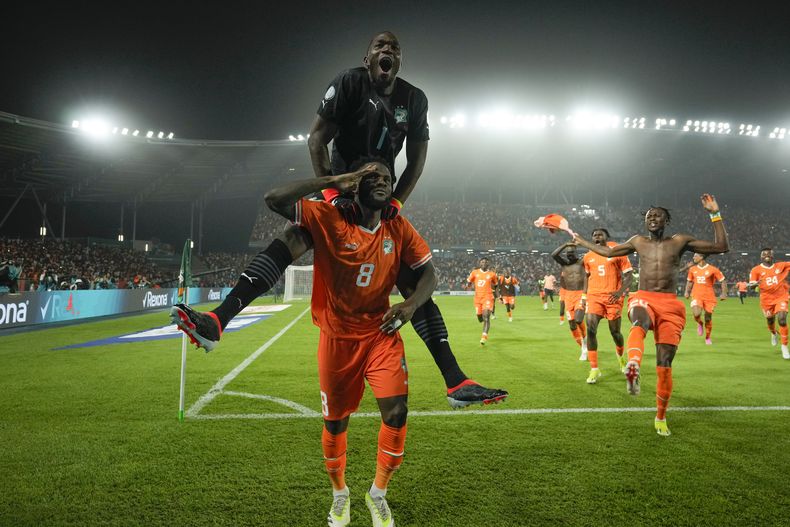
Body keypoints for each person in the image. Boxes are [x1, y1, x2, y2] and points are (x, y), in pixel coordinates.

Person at [171, 31, 506, 409]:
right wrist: (331, 194)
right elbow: (316, 140)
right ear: (368, 59)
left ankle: (455, 381)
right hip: (343, 188)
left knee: (414, 284)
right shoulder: (349, 83)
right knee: (291, 239)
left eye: (394, 48)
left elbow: (417, 159)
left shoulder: (414, 99)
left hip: (380, 194)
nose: (387, 50)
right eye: (380, 46)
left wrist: (396, 200)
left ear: (400, 60)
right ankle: (219, 321)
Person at [257, 160, 434, 527]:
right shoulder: (328, 217)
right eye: (373, 177)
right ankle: (340, 494)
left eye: (387, 178)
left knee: (397, 413)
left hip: (380, 335)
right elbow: (274, 199)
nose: (383, 182)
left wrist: (411, 303)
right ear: (356, 184)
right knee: (336, 425)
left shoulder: (397, 226)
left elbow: (429, 273)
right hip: (337, 339)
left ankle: (378, 494)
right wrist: (335, 180)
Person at [573, 195, 728, 436]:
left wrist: (714, 214)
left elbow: (721, 247)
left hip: (670, 304)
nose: (652, 218)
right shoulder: (637, 242)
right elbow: (607, 252)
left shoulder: (679, 241)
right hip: (643, 296)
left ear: (666, 220)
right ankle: (633, 364)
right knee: (639, 319)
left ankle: (660, 416)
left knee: (664, 364)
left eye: (657, 215)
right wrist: (581, 241)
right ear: (645, 222)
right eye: (648, 216)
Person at [582, 228, 634, 375]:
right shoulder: (587, 257)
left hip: (613, 298)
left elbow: (629, 276)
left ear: (606, 236)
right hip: (594, 297)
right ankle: (594, 368)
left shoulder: (618, 252)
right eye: (594, 234)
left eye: (600, 234)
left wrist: (619, 292)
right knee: (591, 330)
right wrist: (584, 296)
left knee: (615, 332)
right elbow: (586, 277)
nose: (597, 236)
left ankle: (621, 357)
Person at [748, 248, 790, 359]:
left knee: (782, 319)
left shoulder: (781, 266)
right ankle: (773, 333)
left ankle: (784, 346)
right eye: (764, 254)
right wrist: (754, 284)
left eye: (769, 253)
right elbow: (751, 285)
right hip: (766, 300)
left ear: (773, 256)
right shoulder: (756, 270)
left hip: (781, 297)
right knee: (770, 320)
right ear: (761, 257)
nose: (767, 255)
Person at [551, 243, 589, 365]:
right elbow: (554, 254)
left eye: (572, 252)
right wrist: (566, 245)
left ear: (576, 253)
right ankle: (583, 346)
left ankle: (585, 342)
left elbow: (592, 252)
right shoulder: (564, 264)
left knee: (578, 320)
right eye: (567, 253)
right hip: (568, 296)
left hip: (580, 294)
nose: (569, 254)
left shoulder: (582, 262)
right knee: (572, 325)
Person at [684, 253, 726, 345]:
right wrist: (687, 291)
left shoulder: (713, 269)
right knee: (696, 314)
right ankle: (699, 323)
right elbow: (690, 281)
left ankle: (707, 337)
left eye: (695, 256)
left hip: (709, 297)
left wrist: (724, 293)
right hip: (696, 295)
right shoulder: (692, 269)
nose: (693, 257)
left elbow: (723, 280)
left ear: (702, 257)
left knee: (708, 318)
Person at [468, 257, 498, 345]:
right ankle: (482, 321)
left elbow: (496, 285)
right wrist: (469, 285)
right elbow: (469, 282)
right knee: (480, 318)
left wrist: (499, 296)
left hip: (488, 297)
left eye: (485, 262)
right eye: (482, 262)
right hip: (477, 299)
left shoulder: (492, 274)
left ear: (488, 264)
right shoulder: (474, 272)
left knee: (486, 317)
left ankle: (484, 336)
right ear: (479, 263)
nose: (484, 263)